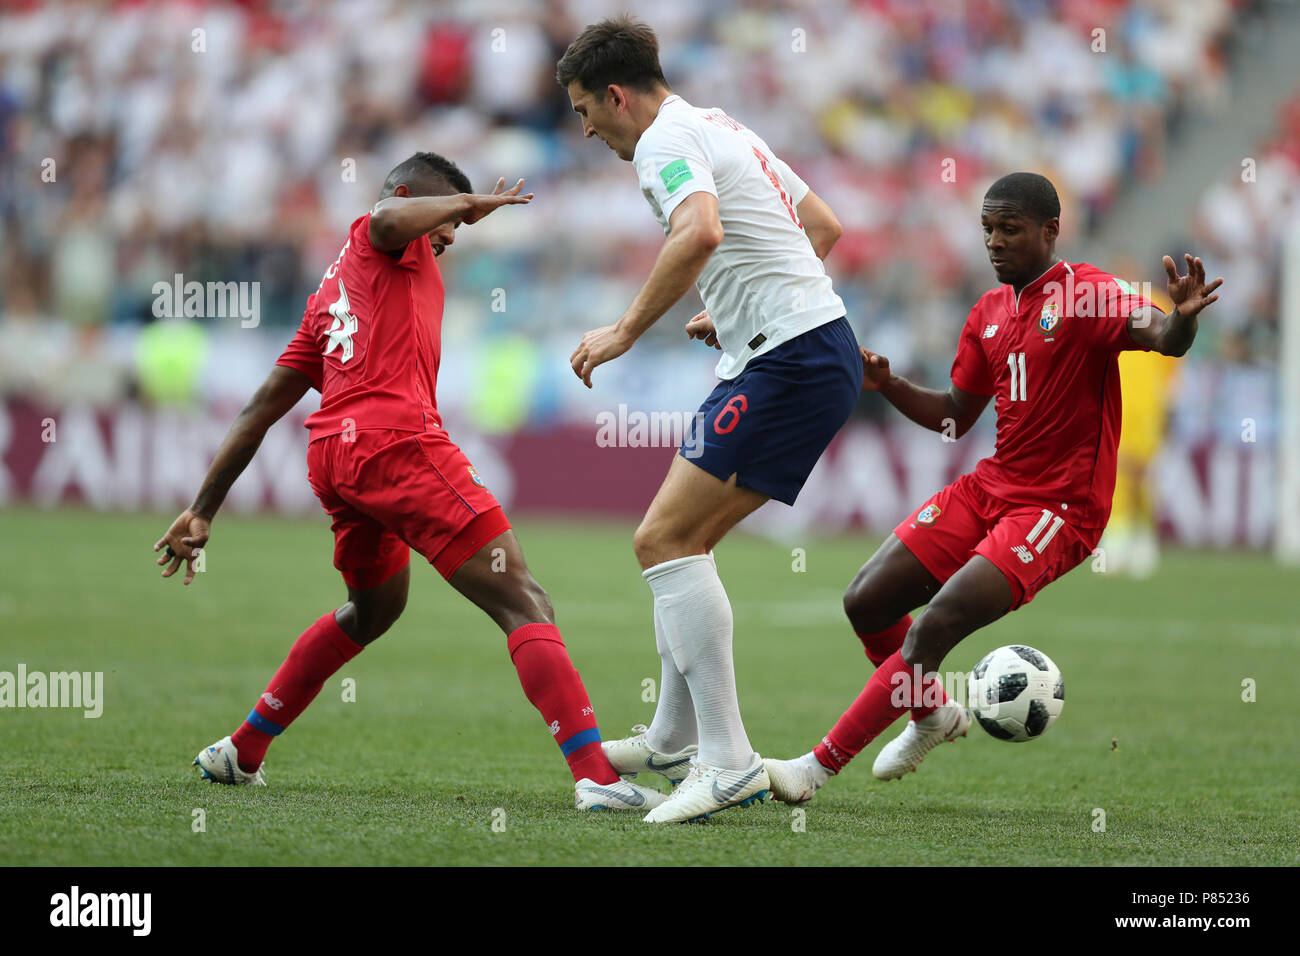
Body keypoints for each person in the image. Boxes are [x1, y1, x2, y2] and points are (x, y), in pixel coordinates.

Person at [154, 151, 664, 813]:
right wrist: (461, 202)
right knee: (524, 599)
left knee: (375, 611)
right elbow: (388, 218)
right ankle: (596, 776)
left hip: (337, 460)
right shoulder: (383, 234)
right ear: (407, 197)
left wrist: (202, 510)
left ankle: (243, 749)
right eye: (441, 228)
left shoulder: (332, 299)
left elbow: (262, 407)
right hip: (396, 445)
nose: (446, 242)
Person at [764, 171, 1223, 803]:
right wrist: (891, 385)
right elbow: (955, 416)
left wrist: (1184, 322)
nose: (995, 242)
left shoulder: (1088, 294)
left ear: (1049, 230)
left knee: (934, 627)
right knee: (866, 602)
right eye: (988, 229)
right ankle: (931, 715)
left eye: (1010, 229)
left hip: (1060, 509)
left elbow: (1161, 336)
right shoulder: (989, 312)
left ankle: (814, 769)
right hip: (992, 487)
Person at [557, 16, 861, 822]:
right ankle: (671, 738)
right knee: (679, 542)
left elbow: (700, 230)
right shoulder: (719, 123)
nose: (586, 130)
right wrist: (734, 308)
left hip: (789, 359)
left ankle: (726, 761)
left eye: (587, 110)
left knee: (663, 540)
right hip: (797, 349)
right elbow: (822, 227)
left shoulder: (662, 143)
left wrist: (624, 331)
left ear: (617, 96)